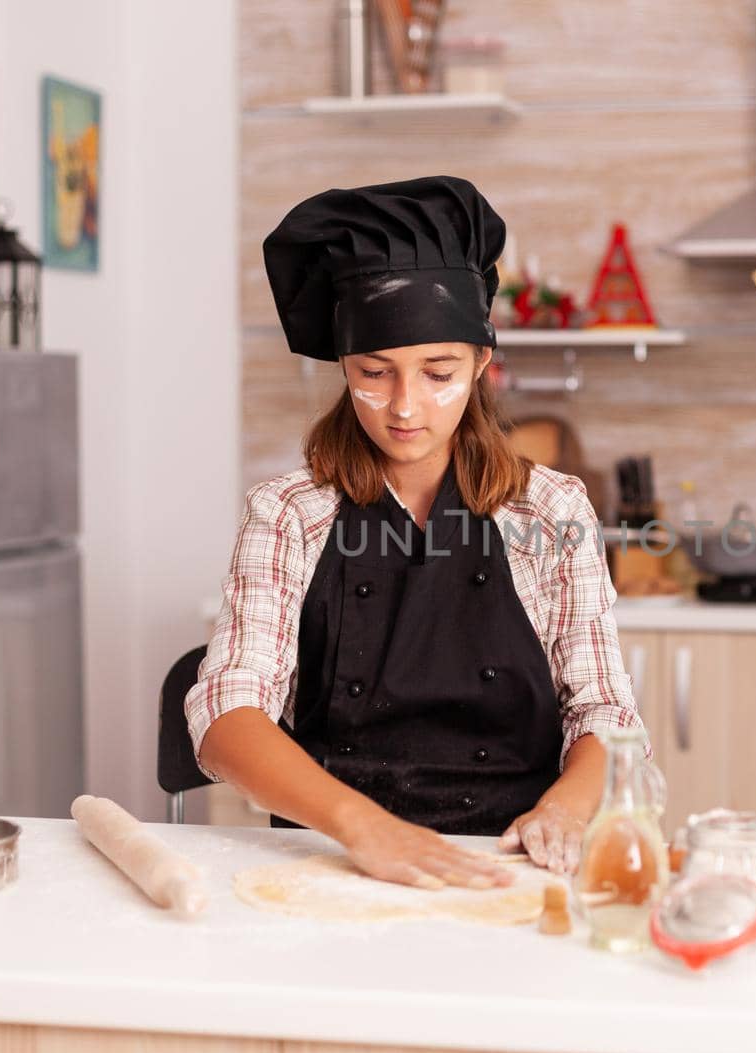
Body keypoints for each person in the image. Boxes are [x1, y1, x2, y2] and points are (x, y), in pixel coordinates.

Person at [186, 175, 645, 891]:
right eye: (376, 372)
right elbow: (224, 714)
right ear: (344, 366)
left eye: (438, 373)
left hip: (512, 862)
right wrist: (361, 827)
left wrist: (563, 808)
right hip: (332, 860)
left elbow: (606, 714)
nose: (405, 406)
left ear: (482, 366)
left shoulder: (552, 512)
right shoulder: (287, 513)